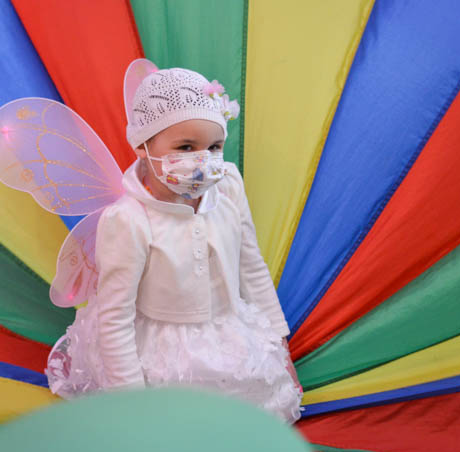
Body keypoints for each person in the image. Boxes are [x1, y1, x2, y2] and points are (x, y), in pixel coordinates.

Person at [45, 63, 303, 423]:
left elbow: (251, 265)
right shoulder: (129, 220)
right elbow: (116, 316)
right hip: (159, 357)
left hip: (230, 337)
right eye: (185, 146)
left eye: (215, 146)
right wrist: (133, 406)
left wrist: (279, 345)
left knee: (246, 425)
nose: (204, 160)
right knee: (178, 432)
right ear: (142, 146)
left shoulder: (227, 187)